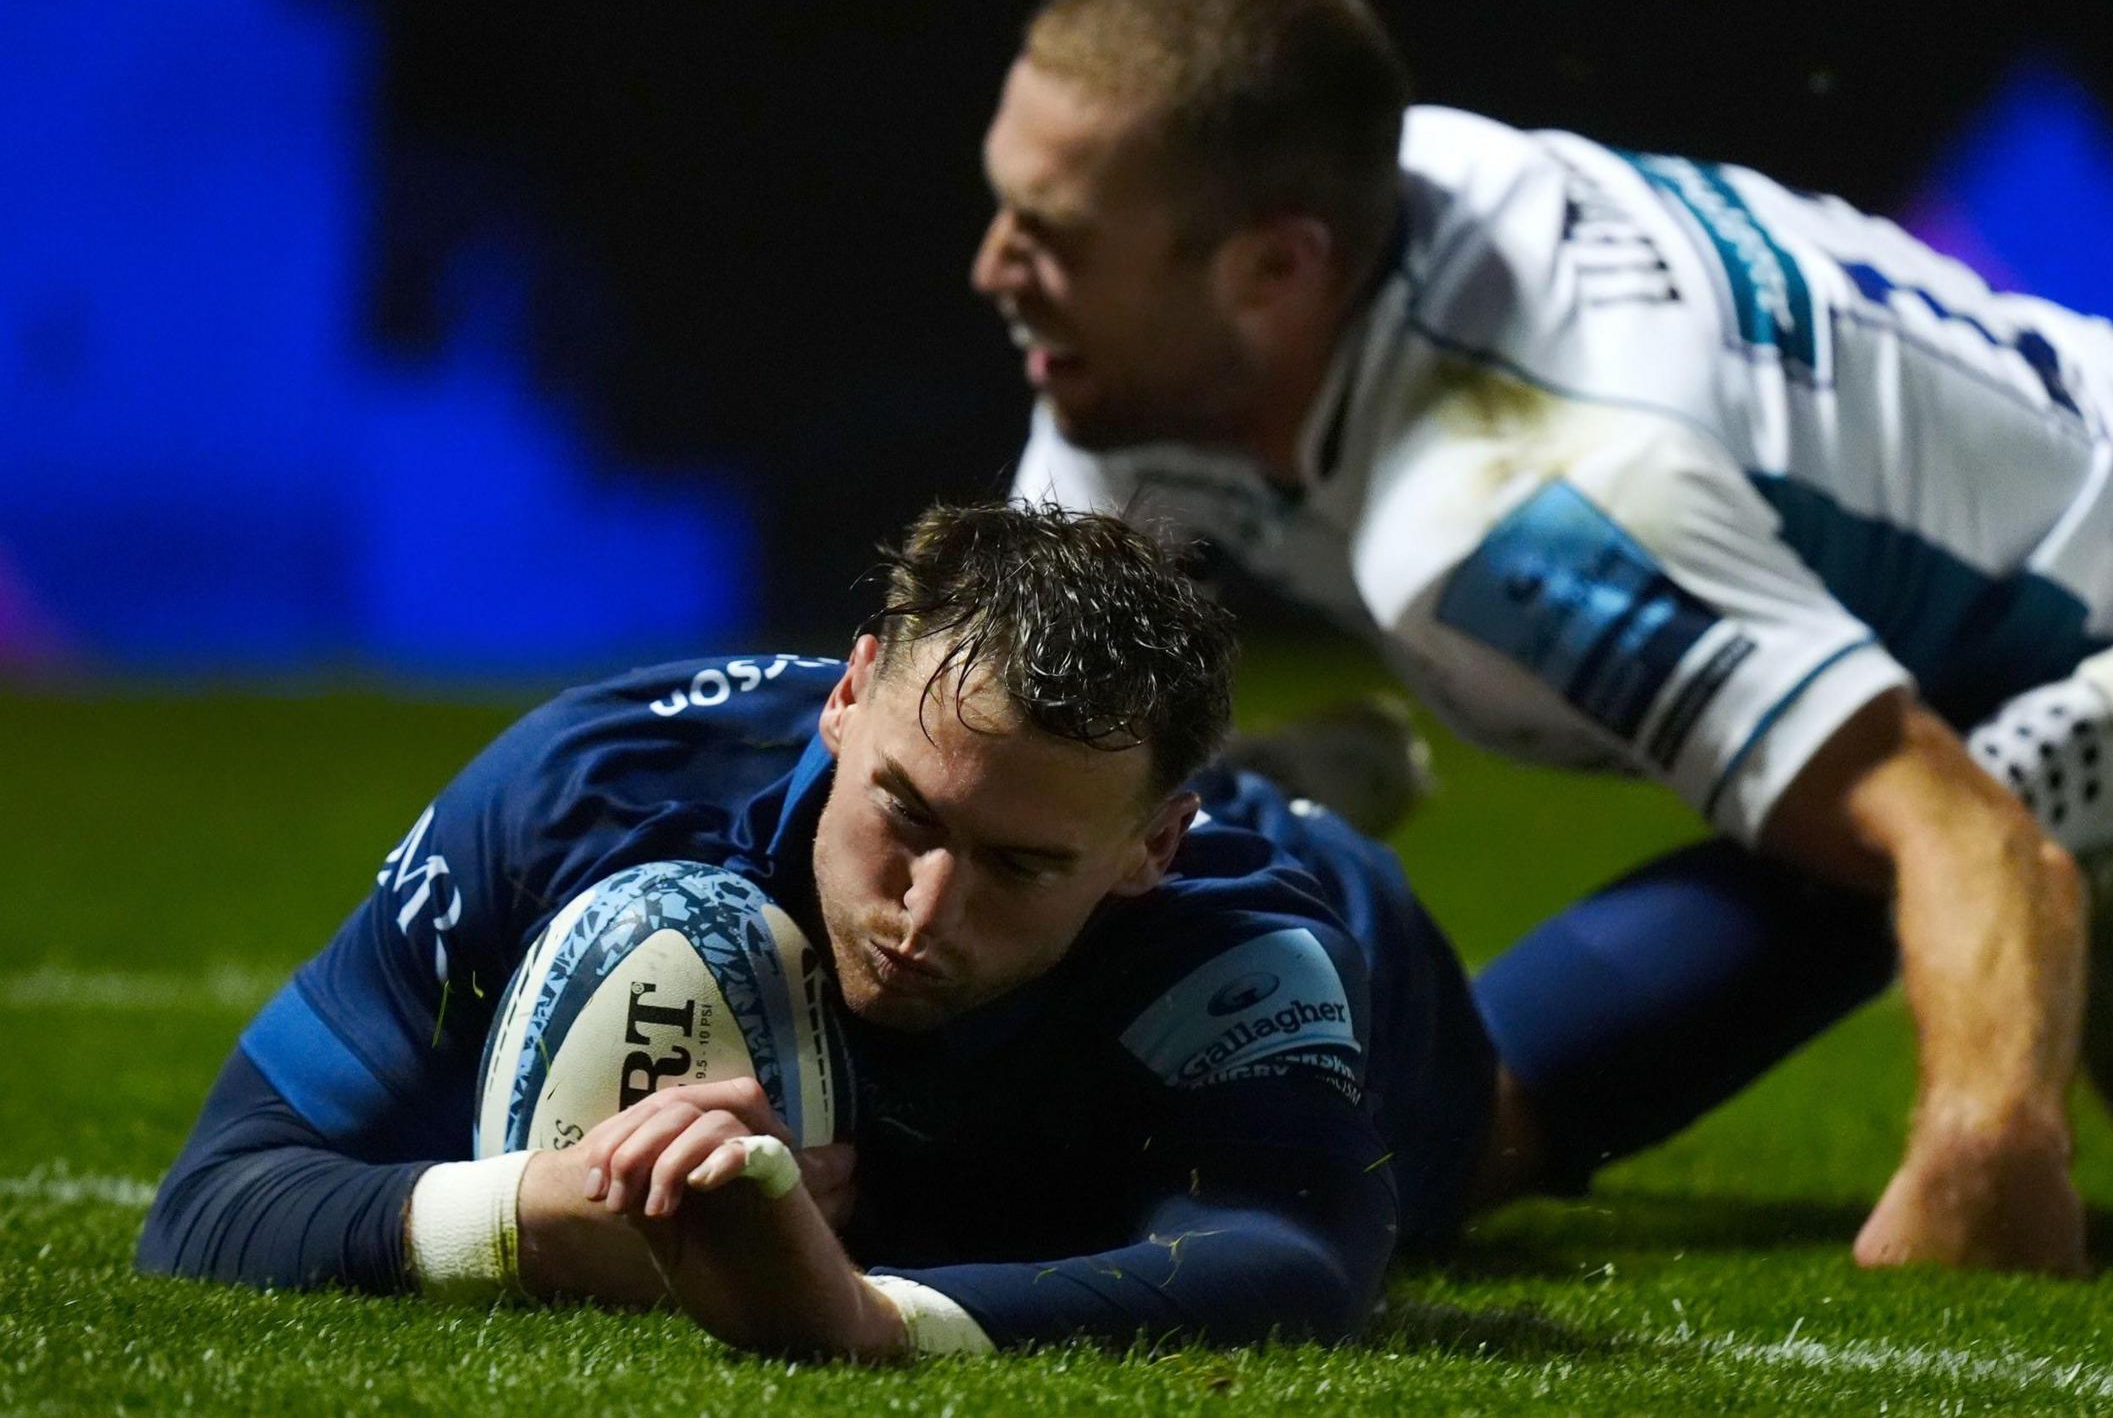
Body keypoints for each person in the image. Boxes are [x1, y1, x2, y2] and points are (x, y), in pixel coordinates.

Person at [977, 0, 2113, 1266]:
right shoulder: (1306, 225)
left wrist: (1978, 1161)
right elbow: (1003, 713)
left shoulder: (1505, 507)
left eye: (1048, 238)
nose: (997, 273)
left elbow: (1957, 838)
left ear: (1273, 271)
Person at [137, 502, 1507, 1359]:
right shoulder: (584, 791)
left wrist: (864, 1317)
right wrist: (529, 1224)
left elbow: (1296, 1259)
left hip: (1362, 938)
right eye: (905, 817)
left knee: (1519, 1133)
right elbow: (211, 1199)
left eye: (1019, 865)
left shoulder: (1238, 939)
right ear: (848, 694)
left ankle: (1295, 788)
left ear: (1152, 848)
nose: (927, 913)